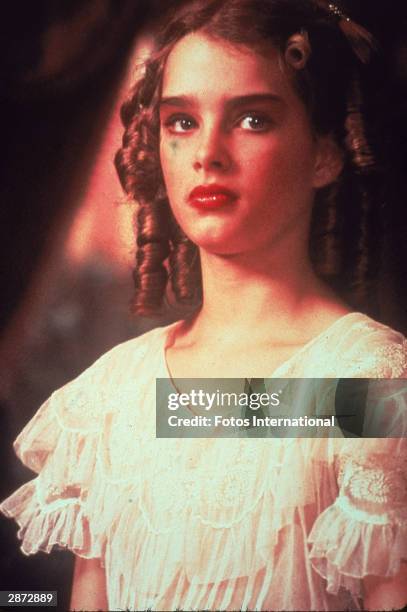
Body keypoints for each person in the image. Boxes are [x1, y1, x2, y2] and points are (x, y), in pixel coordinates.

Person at [1, 1, 407, 610]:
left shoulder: (365, 376)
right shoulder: (115, 390)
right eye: (182, 121)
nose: (207, 153)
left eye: (252, 119)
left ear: (325, 154)